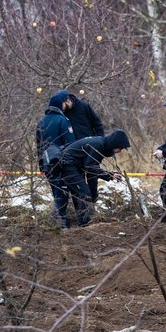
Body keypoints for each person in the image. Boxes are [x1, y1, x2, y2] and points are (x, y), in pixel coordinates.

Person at [60, 130, 130, 227]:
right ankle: (85, 223)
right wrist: (109, 175)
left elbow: (91, 172)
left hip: (75, 165)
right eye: (120, 148)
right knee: (84, 193)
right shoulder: (98, 145)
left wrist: (93, 194)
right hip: (67, 165)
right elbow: (90, 167)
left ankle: (84, 221)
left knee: (82, 193)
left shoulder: (101, 145)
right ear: (115, 144)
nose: (120, 151)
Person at [36, 90, 76, 228]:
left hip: (47, 164)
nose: (67, 105)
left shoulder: (41, 121)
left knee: (56, 191)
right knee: (62, 193)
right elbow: (71, 143)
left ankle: (59, 220)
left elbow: (39, 145)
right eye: (66, 102)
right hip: (61, 163)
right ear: (61, 104)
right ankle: (61, 222)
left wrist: (42, 166)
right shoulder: (62, 120)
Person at [63, 92, 105, 202]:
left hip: (91, 148)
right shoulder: (62, 112)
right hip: (75, 152)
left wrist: (100, 142)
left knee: (92, 176)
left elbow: (97, 124)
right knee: (79, 180)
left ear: (68, 101)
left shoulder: (84, 106)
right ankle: (83, 206)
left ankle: (93, 200)